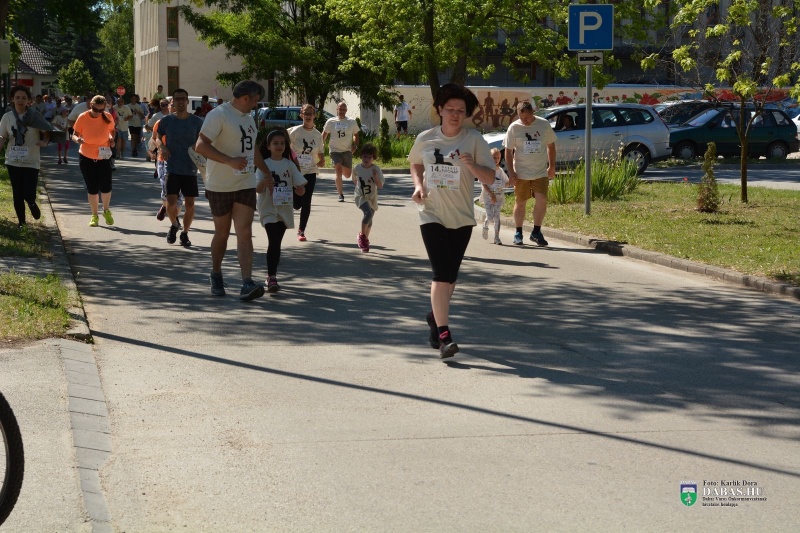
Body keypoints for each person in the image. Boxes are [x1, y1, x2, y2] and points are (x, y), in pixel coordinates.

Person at [409, 83, 495, 359]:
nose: (455, 114)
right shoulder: (425, 138)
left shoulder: (474, 140)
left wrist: (472, 165)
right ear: (440, 110)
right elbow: (415, 163)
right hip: (431, 212)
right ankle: (445, 335)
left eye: (461, 110)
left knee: (451, 277)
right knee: (441, 273)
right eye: (450, 109)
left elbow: (490, 177)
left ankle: (435, 317)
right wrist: (418, 185)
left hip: (461, 216)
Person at [194, 80, 273, 301]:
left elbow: (252, 147)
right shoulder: (219, 114)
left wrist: (266, 172)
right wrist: (229, 160)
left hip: (245, 184)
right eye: (255, 100)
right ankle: (216, 274)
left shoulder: (248, 118)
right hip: (219, 185)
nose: (256, 104)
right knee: (222, 233)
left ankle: (247, 282)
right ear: (246, 98)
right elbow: (200, 145)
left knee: (244, 231)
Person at [256, 128, 306, 292]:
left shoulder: (289, 165)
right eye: (275, 143)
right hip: (268, 208)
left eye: (282, 143)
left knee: (276, 243)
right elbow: (257, 189)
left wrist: (300, 191)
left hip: (284, 209)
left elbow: (300, 187)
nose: (279, 146)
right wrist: (264, 183)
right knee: (274, 240)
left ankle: (271, 274)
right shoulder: (263, 165)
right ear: (268, 146)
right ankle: (272, 277)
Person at [504, 101, 557, 247]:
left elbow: (551, 146)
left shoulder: (543, 124)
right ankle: (518, 232)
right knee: (520, 202)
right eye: (521, 118)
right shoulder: (514, 127)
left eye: (527, 118)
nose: (524, 121)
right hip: (521, 173)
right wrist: (511, 172)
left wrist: (552, 166)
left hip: (540, 172)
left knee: (542, 200)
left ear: (533, 112)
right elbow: (508, 151)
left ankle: (536, 232)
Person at [155, 88, 203, 247]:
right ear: (173, 102)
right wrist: (162, 147)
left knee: (190, 204)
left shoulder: (197, 122)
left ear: (187, 101)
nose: (180, 102)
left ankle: (185, 233)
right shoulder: (167, 121)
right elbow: (157, 138)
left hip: (190, 169)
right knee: (170, 203)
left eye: (183, 99)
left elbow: (204, 140)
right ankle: (175, 224)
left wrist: (198, 148)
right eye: (177, 99)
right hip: (172, 167)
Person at [0, 85, 52, 227]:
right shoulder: (7, 117)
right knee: (17, 193)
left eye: (23, 98)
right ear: (12, 99)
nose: (20, 100)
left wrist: (44, 141)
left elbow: (47, 130)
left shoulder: (35, 116)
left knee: (28, 192)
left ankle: (31, 203)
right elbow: (2, 136)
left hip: (31, 160)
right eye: (17, 98)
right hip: (13, 161)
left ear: (28, 100)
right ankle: (21, 223)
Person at [72, 95, 117, 227]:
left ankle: (106, 210)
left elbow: (112, 131)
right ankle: (94, 215)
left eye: (101, 110)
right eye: (95, 109)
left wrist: (111, 139)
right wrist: (78, 140)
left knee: (106, 186)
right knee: (92, 188)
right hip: (86, 156)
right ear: (90, 105)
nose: (98, 112)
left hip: (103, 156)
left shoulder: (108, 116)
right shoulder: (83, 117)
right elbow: (74, 135)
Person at [288, 103, 324, 241]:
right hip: (295, 171)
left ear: (315, 116)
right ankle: (295, 201)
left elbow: (320, 151)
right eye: (306, 113)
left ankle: (301, 230)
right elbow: (281, 144)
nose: (308, 116)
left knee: (307, 201)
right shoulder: (293, 131)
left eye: (311, 113)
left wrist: (322, 160)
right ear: (301, 115)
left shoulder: (318, 135)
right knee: (297, 204)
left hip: (310, 171)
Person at [322, 101, 359, 202]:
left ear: (346, 110)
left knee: (347, 174)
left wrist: (355, 145)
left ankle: (339, 165)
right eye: (340, 109)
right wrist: (320, 145)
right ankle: (340, 195)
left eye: (343, 109)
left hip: (347, 151)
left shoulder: (351, 122)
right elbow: (324, 134)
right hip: (334, 151)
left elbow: (356, 135)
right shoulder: (331, 121)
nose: (341, 111)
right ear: (337, 109)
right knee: (338, 169)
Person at [352, 143, 384, 252]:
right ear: (361, 156)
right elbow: (354, 179)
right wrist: (358, 187)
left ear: (373, 158)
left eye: (370, 157)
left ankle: (365, 241)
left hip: (372, 197)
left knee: (369, 221)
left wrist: (375, 177)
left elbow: (380, 186)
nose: (367, 159)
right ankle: (362, 236)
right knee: (368, 214)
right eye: (365, 156)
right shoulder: (357, 168)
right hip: (361, 196)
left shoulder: (376, 169)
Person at [481, 148, 509, 245]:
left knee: (497, 217)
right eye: (494, 157)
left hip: (498, 197)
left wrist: (512, 182)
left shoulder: (500, 171)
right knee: (490, 216)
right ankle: (485, 226)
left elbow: (506, 183)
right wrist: (491, 194)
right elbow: (483, 183)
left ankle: (496, 237)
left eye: (498, 158)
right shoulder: (486, 169)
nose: (496, 160)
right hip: (488, 197)